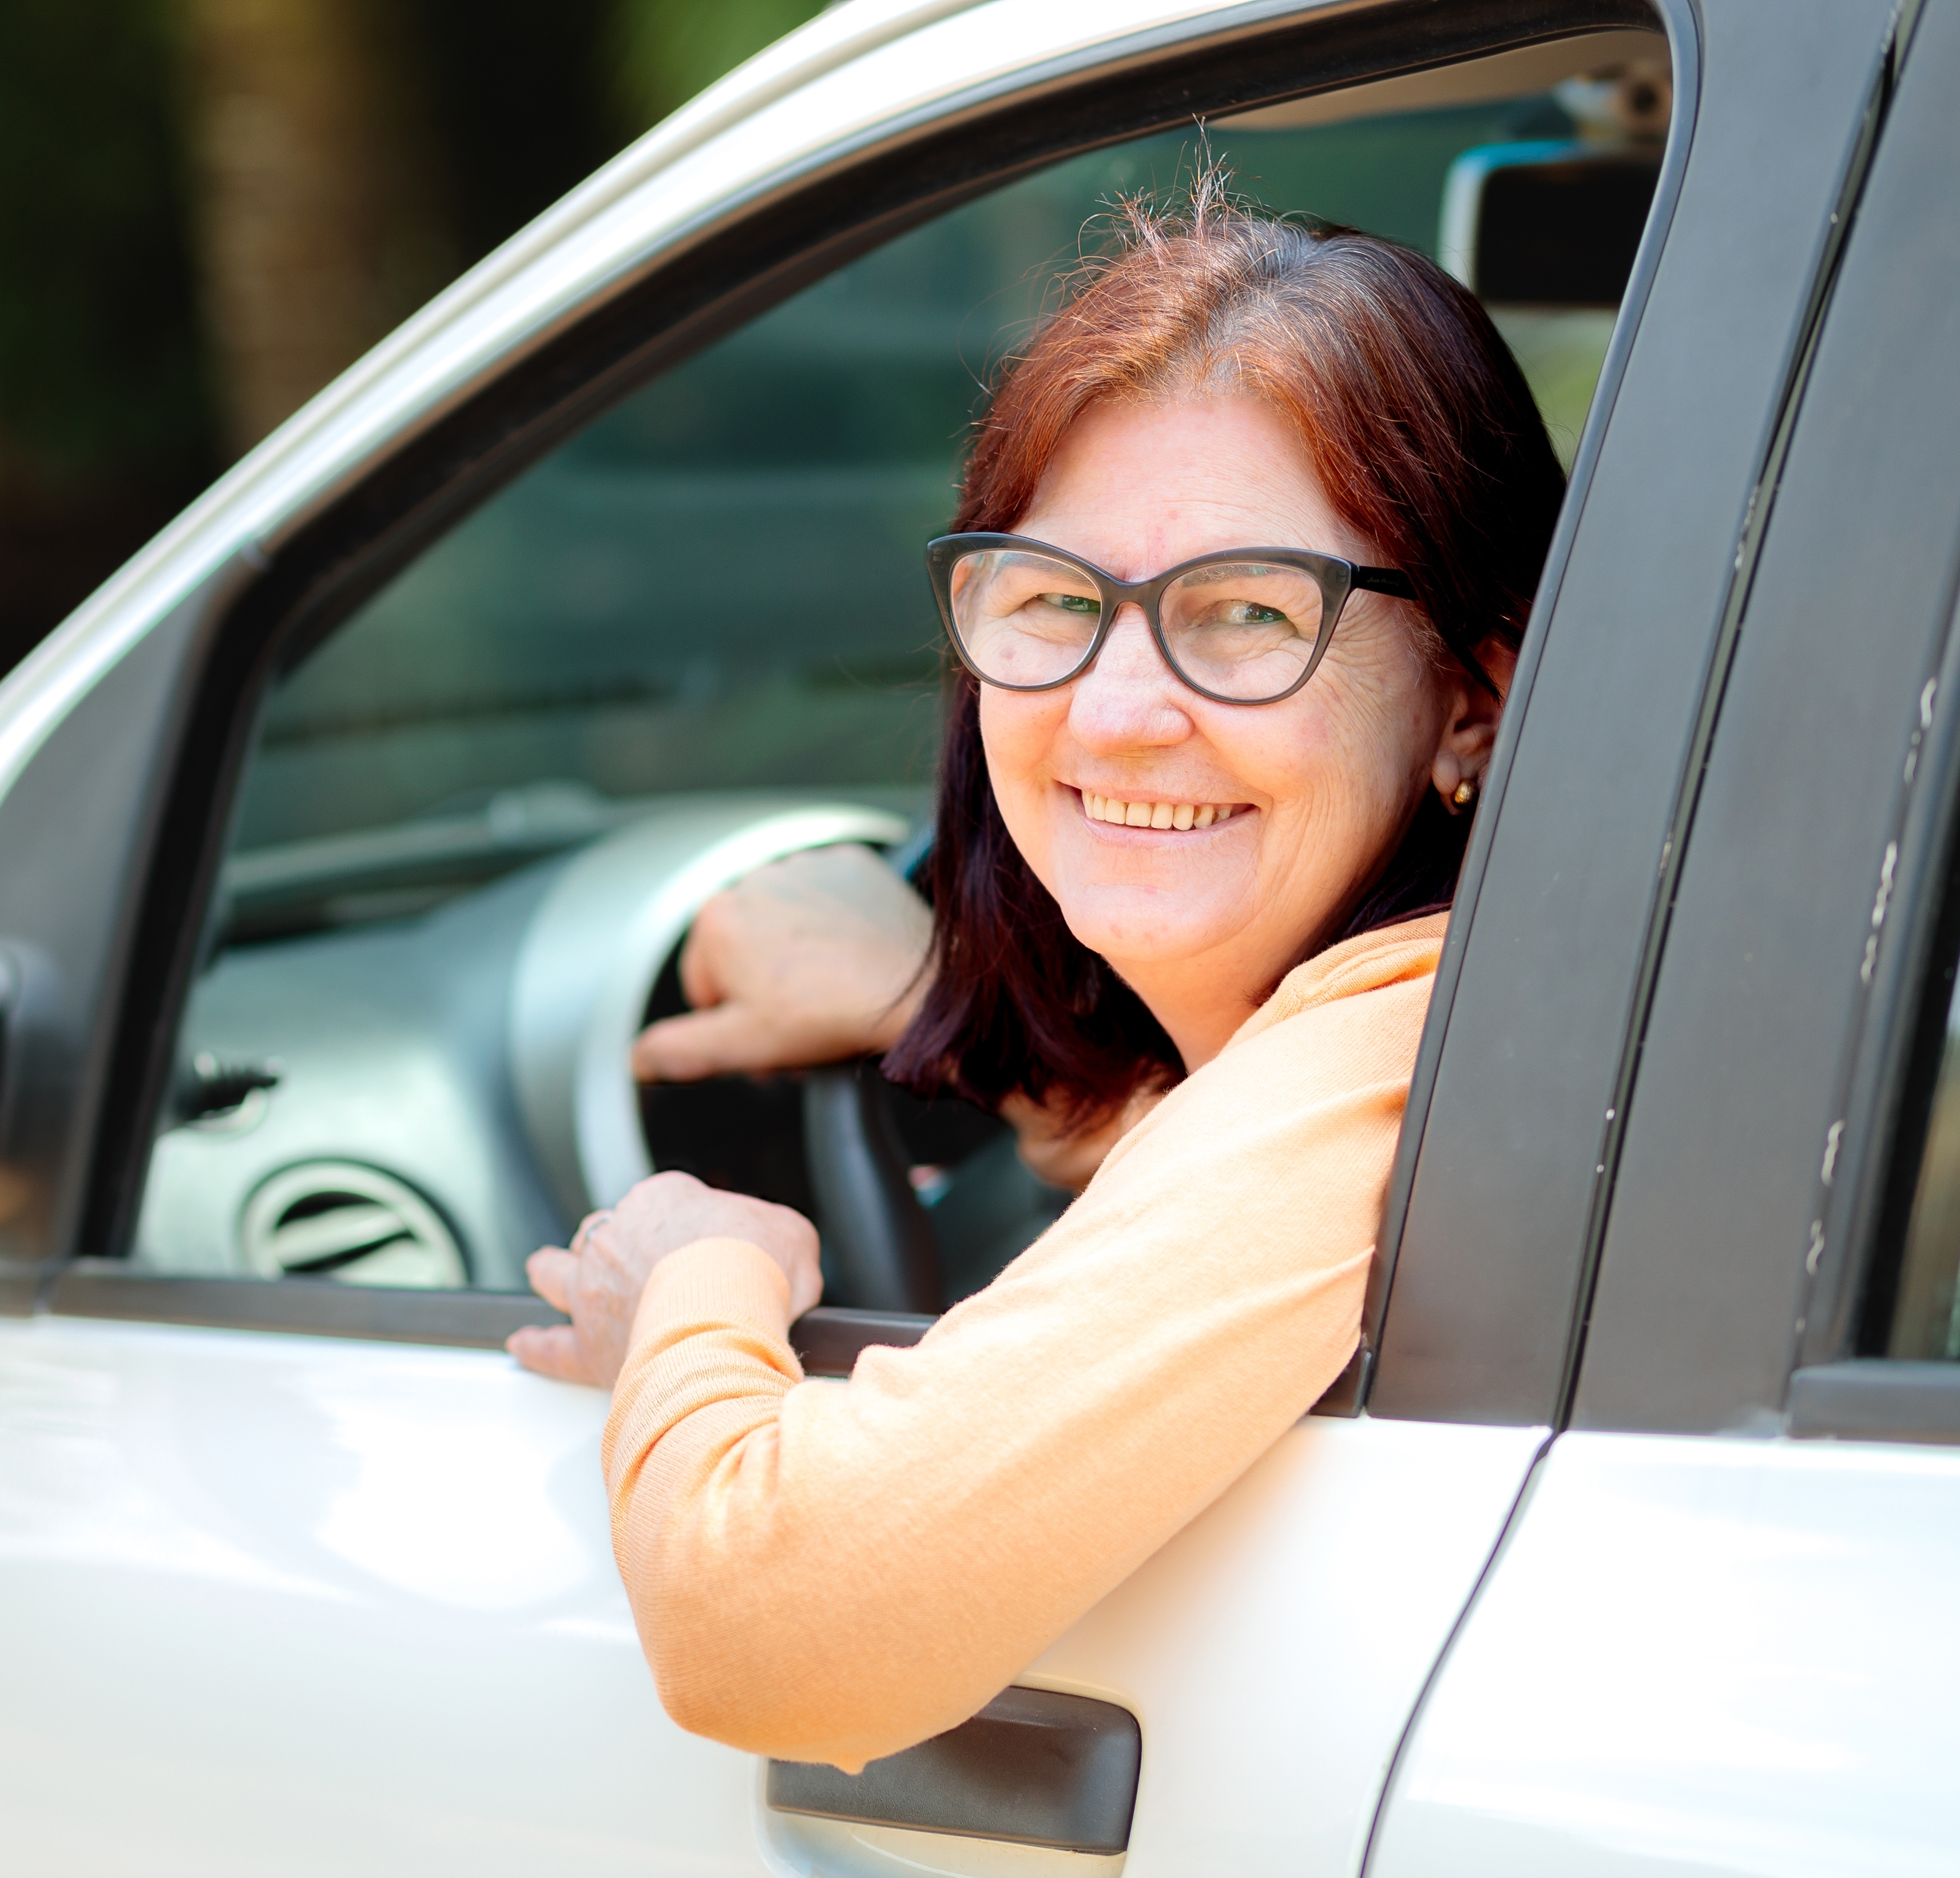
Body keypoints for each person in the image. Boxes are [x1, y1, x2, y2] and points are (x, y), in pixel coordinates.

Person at [505, 180, 1563, 1773]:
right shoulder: (1469, 1022)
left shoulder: (1409, 1051)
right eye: (1055, 603)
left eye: (1247, 614)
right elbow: (1216, 1185)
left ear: (1473, 700)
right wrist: (959, 1019)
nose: (1116, 709)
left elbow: (773, 1629)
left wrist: (693, 1279)